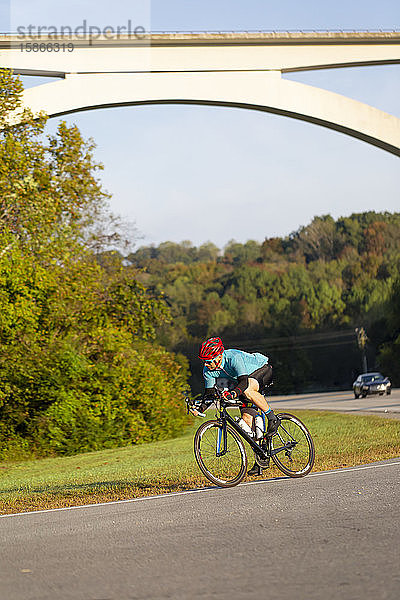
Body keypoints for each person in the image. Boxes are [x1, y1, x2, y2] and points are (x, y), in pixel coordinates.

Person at [192, 337, 279, 477]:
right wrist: (200, 408)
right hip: (244, 383)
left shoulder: (233, 357)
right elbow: (209, 394)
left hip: (262, 370)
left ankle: (272, 417)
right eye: (204, 361)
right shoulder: (208, 370)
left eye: (208, 361)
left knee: (247, 390)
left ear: (219, 356)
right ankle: (261, 457)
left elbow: (243, 382)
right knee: (246, 423)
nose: (206, 364)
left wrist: (233, 393)